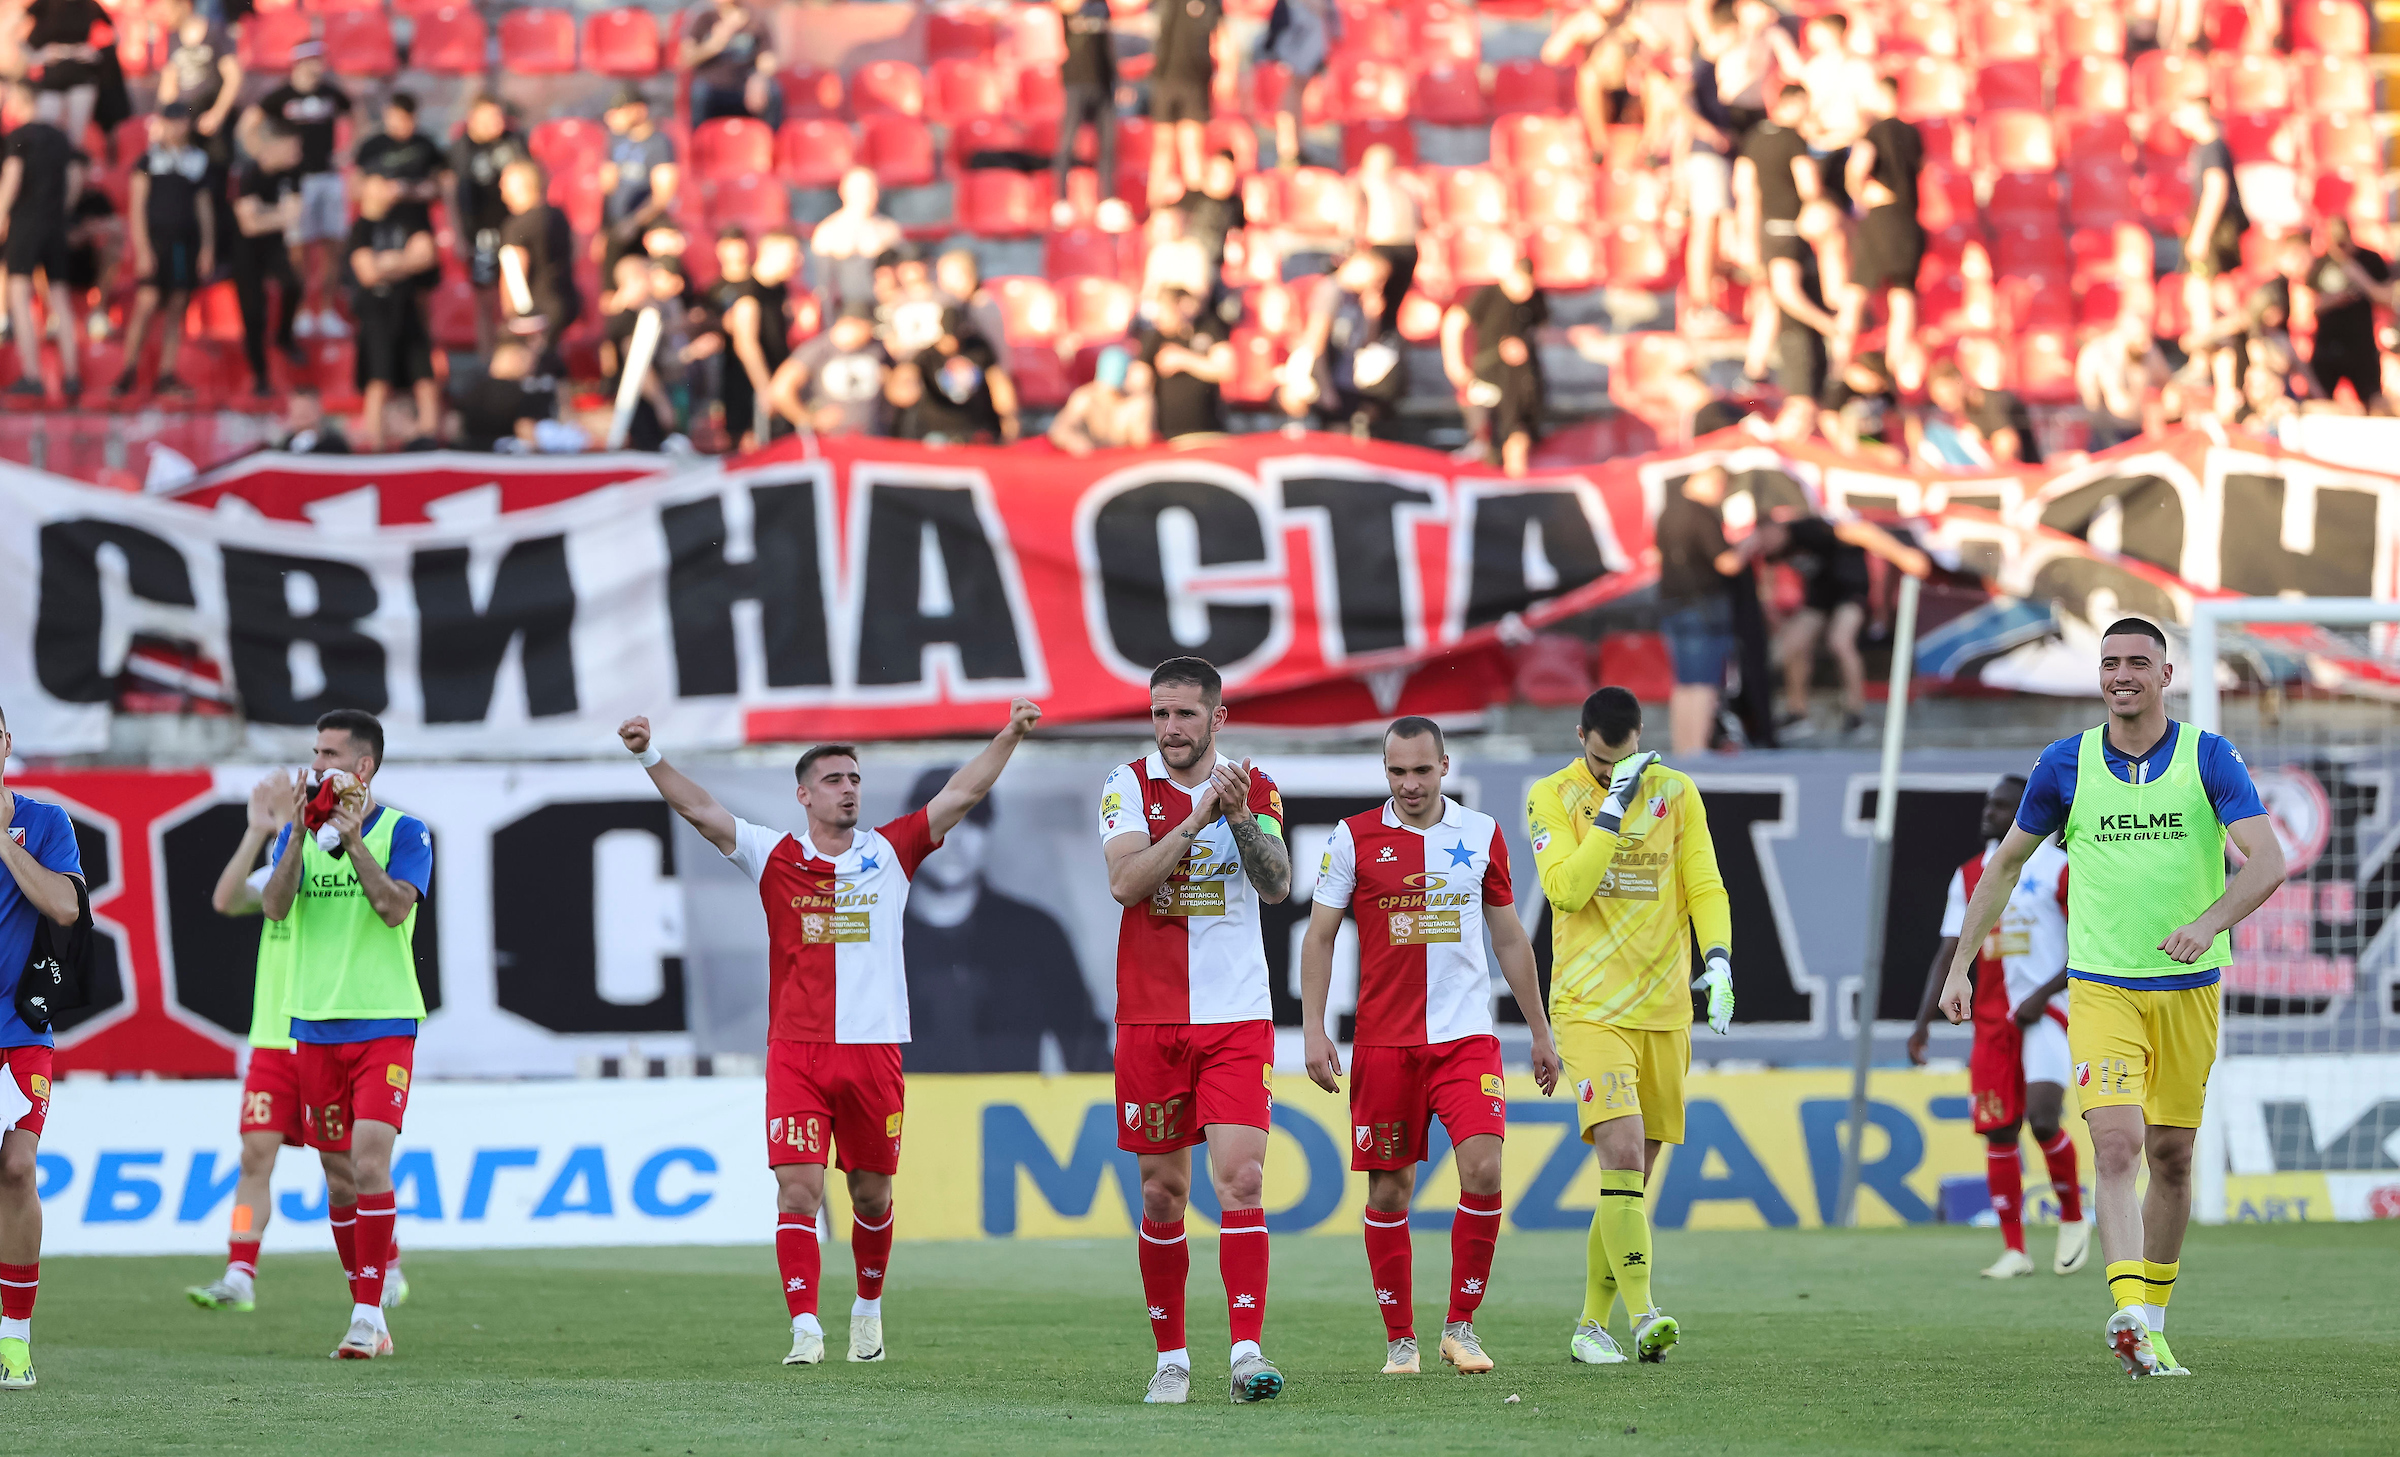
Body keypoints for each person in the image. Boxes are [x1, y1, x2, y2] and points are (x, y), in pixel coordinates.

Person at [620, 699, 1042, 1365]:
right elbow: (700, 811)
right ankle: (805, 1328)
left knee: (871, 1193)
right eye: (835, 780)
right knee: (798, 1188)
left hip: (873, 1050)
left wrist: (1010, 733)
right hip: (797, 1052)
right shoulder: (772, 855)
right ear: (805, 794)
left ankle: (867, 1307)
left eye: (854, 779)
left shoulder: (891, 851)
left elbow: (965, 790)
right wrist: (649, 754)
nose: (849, 789)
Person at [1939, 618, 2284, 1379]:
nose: (2121, 674)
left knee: (2173, 1154)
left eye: (2137, 662)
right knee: (2118, 1142)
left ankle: (2153, 1323)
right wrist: (1961, 965)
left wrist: (2207, 923)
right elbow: (2001, 870)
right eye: (2109, 663)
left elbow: (2268, 862)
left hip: (2189, 990)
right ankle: (2126, 1308)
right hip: (2101, 988)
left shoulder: (2209, 756)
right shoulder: (2064, 764)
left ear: (2166, 674)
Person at [1299, 717, 1562, 1377]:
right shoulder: (1353, 837)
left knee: (1485, 1169)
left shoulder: (1480, 834)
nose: (1409, 783)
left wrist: (1539, 1029)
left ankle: (1461, 1328)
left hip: (1465, 1040)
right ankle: (1401, 1340)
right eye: (1397, 772)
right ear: (1384, 770)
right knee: (1390, 1191)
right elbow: (1320, 936)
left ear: (1445, 765)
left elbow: (1508, 938)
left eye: (1421, 769)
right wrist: (1313, 1026)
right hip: (1386, 1044)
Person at [1098, 656, 1293, 1405]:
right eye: (1160, 713)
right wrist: (1196, 819)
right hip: (1150, 1019)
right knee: (1162, 1195)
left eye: (1184, 714)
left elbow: (1275, 884)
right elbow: (1124, 883)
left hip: (1236, 1016)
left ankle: (1246, 1351)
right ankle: (1173, 1356)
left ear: (1218, 718)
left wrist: (1238, 814)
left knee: (1242, 1177)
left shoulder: (1258, 786)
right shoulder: (1125, 785)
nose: (1170, 728)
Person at [1525, 686, 1735, 1368]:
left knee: (1630, 1182)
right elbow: (1567, 889)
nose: (1611, 771)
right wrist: (1611, 812)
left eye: (1623, 763)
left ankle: (1591, 1324)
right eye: (1598, 760)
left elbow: (1703, 881)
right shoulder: (1551, 796)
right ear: (1580, 735)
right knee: (1618, 1156)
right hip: (1587, 1009)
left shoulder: (1676, 790)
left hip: (1665, 1010)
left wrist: (1721, 961)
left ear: (1641, 736)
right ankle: (1646, 1314)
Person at [187, 770, 410, 1316]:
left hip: (327, 1031)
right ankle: (240, 1269)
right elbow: (224, 899)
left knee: (353, 1167)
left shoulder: (328, 877)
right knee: (254, 1156)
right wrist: (258, 832)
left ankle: (388, 1263)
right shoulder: (282, 876)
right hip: (272, 1040)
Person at [256, 709, 432, 1361]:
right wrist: (300, 836)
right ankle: (369, 1309)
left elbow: (392, 908)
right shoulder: (297, 833)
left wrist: (353, 839)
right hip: (312, 1024)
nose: (317, 764)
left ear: (363, 767)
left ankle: (365, 1312)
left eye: (329, 754)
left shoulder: (404, 831)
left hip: (384, 1021)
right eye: (314, 751)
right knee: (337, 1179)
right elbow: (274, 907)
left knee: (368, 1162)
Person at [1907, 776, 2090, 1282]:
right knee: (1999, 1129)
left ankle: (2074, 1219)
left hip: (2045, 1014)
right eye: (1989, 804)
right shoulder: (1970, 874)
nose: (1989, 811)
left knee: (2044, 1117)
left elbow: (2088, 944)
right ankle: (2016, 1249)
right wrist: (1922, 1024)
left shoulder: (2061, 868)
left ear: (2028, 810)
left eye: (2002, 805)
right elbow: (1950, 951)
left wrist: (2042, 994)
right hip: (1990, 1022)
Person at [897, 767, 1109, 1074]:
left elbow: (1089, 1057)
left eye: (974, 819)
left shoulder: (1036, 936)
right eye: (941, 820)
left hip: (1006, 1122)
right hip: (897, 1122)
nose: (955, 839)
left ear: (989, 830)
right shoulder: (872, 937)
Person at [0, 703, 86, 1390]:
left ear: (6, 743)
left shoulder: (45, 821)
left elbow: (64, 906)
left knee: (18, 1169)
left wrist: (3, 841)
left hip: (19, 1030)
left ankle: (15, 1339)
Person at [1759, 508, 1930, 740]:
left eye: (1767, 538)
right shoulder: (1774, 549)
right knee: (1788, 646)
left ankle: (1856, 714)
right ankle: (1797, 712)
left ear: (1778, 529)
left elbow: (1861, 531)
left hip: (1850, 591)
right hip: (1819, 599)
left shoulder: (1806, 530)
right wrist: (1769, 605)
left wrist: (1902, 555)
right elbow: (1767, 572)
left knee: (1840, 641)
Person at [1652, 465, 1763, 755]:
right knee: (1704, 682)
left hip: (1672, 604)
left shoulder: (1667, 512)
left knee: (1684, 683)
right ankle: (1697, 750)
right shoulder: (1701, 514)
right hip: (1704, 607)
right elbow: (1726, 563)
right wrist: (1749, 545)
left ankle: (1682, 748)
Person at [113, 103, 212, 399]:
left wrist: (207, 246)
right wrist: (143, 249)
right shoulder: (148, 160)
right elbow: (137, 207)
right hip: (157, 241)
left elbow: (204, 208)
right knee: (147, 302)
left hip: (185, 243)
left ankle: (166, 373)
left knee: (177, 306)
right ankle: (128, 369)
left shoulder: (198, 161)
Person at [254, 45, 353, 340]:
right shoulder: (281, 96)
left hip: (328, 177)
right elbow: (251, 124)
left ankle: (324, 310)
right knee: (298, 250)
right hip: (296, 182)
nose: (317, 67)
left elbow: (355, 114)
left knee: (332, 245)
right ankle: (300, 310)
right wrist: (266, 154)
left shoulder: (330, 93)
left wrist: (348, 151)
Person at [346, 171, 440, 451]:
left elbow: (425, 255)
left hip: (407, 307)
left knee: (424, 375)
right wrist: (404, 262)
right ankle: (376, 444)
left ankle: (428, 439)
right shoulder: (360, 228)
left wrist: (388, 263)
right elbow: (368, 273)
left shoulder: (408, 219)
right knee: (378, 377)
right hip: (376, 312)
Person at [1840, 76, 1923, 386]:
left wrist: (1859, 195)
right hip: (1908, 221)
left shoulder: (1874, 133)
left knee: (1855, 294)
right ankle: (1893, 368)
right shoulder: (1912, 133)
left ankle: (1841, 363)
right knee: (1903, 297)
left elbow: (1856, 170)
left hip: (1882, 220)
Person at [0, 83, 78, 400]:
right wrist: (62, 212)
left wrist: (2, 215)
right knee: (60, 298)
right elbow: (74, 179)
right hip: (55, 224)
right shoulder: (61, 138)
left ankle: (32, 375)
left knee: (19, 293)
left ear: (22, 102)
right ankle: (73, 376)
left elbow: (12, 179)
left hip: (26, 223)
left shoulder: (19, 137)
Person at [1733, 85, 1815, 380]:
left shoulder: (1754, 137)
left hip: (1761, 230)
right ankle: (1836, 329)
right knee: (1786, 295)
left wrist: (1746, 237)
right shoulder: (1793, 140)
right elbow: (1809, 188)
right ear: (1793, 103)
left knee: (1769, 300)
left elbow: (1743, 188)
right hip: (1788, 229)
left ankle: (1753, 370)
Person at [1441, 251, 1548, 476]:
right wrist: (1455, 365)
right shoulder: (1489, 296)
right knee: (1488, 437)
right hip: (1490, 376)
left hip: (1522, 381)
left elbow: (1541, 330)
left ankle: (1513, 486)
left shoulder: (1534, 300)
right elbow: (1453, 322)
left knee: (1517, 436)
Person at [1281, 248, 1402, 437]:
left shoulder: (1356, 298)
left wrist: (1373, 317)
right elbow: (1316, 341)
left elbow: (1364, 344)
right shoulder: (1332, 290)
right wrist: (1325, 387)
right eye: (1377, 277)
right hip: (1327, 377)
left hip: (1346, 379)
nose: (1378, 283)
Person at [227, 121, 305, 400]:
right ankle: (260, 376)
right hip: (244, 252)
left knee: (294, 285)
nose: (296, 152)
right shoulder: (246, 174)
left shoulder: (291, 175)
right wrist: (279, 216)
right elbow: (249, 225)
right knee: (253, 316)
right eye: (291, 147)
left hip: (274, 248)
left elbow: (295, 214)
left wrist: (265, 214)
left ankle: (285, 336)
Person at [450, 96, 528, 354]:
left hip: (513, 229)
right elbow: (452, 194)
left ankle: (517, 357)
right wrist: (459, 235)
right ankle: (488, 361)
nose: (497, 123)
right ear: (474, 118)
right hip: (481, 233)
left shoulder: (513, 141)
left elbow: (531, 178)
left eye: (499, 117)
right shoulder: (462, 148)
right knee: (485, 300)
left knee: (516, 296)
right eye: (490, 117)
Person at [2174, 99, 2246, 347]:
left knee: (2200, 291)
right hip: (2214, 228)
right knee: (2213, 292)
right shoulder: (2207, 147)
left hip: (2214, 229)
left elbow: (2216, 190)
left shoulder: (2212, 147)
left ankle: (2205, 350)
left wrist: (2200, 235)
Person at [497, 160, 580, 375]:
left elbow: (515, 276)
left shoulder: (517, 226)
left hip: (536, 309)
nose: (501, 191)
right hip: (564, 301)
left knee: (522, 366)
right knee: (548, 359)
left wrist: (514, 315)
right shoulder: (558, 215)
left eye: (505, 184)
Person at [723, 228, 799, 449]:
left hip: (774, 381)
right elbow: (745, 343)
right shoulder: (750, 291)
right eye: (793, 256)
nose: (798, 262)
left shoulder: (778, 289)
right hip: (751, 390)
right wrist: (765, 389)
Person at [2303, 217, 2389, 410]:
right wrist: (2335, 299)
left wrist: (2360, 278)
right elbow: (2307, 309)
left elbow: (2387, 297)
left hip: (2361, 344)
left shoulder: (2370, 260)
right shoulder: (2320, 264)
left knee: (2375, 402)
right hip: (2328, 344)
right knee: (2318, 402)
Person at [1051, 0, 1123, 230]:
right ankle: (1062, 200)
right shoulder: (1069, 7)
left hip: (1102, 84)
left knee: (1109, 145)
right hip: (1075, 83)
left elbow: (1107, 45)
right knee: (1067, 144)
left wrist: (1117, 80)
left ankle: (1108, 201)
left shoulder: (1102, 7)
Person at [769, 300, 887, 436]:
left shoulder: (877, 348)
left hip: (874, 436)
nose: (871, 334)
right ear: (853, 322)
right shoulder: (817, 349)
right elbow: (780, 389)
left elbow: (899, 389)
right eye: (869, 327)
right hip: (832, 441)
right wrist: (810, 420)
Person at [597, 87, 679, 278]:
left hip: (644, 222)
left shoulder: (659, 143)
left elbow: (663, 196)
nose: (611, 117)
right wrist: (603, 229)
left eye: (619, 111)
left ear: (639, 110)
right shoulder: (615, 139)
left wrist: (633, 223)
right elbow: (607, 187)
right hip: (616, 225)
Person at [1149, 0, 1222, 199]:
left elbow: (1220, 36)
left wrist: (1225, 73)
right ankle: (1154, 207)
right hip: (1165, 80)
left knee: (1192, 148)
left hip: (1195, 83)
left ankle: (1194, 206)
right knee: (1163, 150)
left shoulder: (1210, 3)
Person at [1138, 286, 1232, 440]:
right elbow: (1139, 380)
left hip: (1210, 432)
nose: (1159, 318)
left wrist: (1184, 359)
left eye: (1164, 310)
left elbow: (1227, 369)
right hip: (1169, 438)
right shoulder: (1153, 338)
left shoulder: (1209, 327)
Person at [353, 93, 447, 240]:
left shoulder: (425, 145)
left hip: (413, 223)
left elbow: (439, 186)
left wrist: (408, 190)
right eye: (396, 118)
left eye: (405, 119)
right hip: (375, 222)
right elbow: (353, 189)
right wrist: (379, 189)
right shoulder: (371, 147)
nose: (400, 124)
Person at [809, 168, 902, 311]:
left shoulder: (890, 230)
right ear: (843, 191)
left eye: (873, 188)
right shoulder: (827, 232)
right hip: (844, 313)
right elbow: (822, 285)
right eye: (861, 189)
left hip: (883, 310)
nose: (868, 194)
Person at [1258, 0, 1334, 171]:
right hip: (1297, 24)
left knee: (1297, 88)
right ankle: (1288, 150)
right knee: (1291, 88)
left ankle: (1297, 147)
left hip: (1309, 24)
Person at [679, 0, 781, 128]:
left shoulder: (755, 16)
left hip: (745, 84)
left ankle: (768, 141)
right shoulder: (703, 16)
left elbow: (768, 56)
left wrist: (758, 78)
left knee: (772, 93)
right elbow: (685, 59)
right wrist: (715, 42)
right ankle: (700, 142)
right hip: (713, 84)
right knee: (700, 93)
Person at [23, 0, 105, 152]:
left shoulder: (89, 5)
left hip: (82, 78)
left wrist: (93, 52)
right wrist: (42, 55)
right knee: (44, 135)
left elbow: (113, 37)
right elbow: (20, 40)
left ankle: (70, 173)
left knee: (75, 141)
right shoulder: (44, 5)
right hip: (52, 80)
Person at [1351, 143, 1421, 320]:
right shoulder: (1405, 184)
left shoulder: (1372, 181)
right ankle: (1380, 335)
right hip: (1397, 247)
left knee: (1382, 303)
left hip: (1391, 246)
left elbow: (1356, 218)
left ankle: (1378, 336)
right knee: (1384, 303)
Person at [2077, 316, 2169, 450]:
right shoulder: (2096, 354)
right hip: (2106, 432)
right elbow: (2089, 399)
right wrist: (2102, 430)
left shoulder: (2148, 351)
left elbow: (2166, 382)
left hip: (2137, 429)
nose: (2146, 345)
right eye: (2140, 339)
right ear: (2125, 334)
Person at [450, 338, 556, 451]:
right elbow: (526, 430)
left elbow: (453, 426)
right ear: (514, 359)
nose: (532, 367)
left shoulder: (471, 386)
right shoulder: (522, 393)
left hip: (470, 457)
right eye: (527, 359)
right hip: (505, 461)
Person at [1048, 345, 1155, 453]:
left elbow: (1142, 442)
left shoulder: (1138, 402)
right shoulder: (1085, 398)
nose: (1110, 393)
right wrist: (1075, 441)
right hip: (1091, 461)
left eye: (1115, 389)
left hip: (1122, 462)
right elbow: (1060, 429)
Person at [276, 386, 351, 454]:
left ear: (319, 409)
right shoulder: (283, 446)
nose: (302, 412)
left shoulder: (335, 446)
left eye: (307, 408)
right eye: (298, 409)